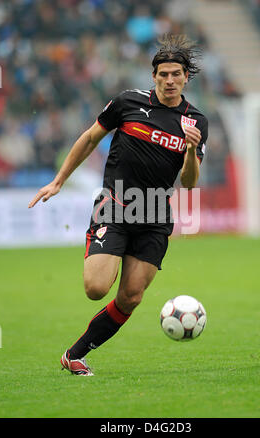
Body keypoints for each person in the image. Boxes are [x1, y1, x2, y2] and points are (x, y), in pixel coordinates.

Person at [28, 34, 208, 376]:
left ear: (187, 77)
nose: (170, 80)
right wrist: (59, 180)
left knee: (131, 297)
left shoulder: (196, 122)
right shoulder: (127, 103)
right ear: (153, 76)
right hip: (116, 205)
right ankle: (104, 243)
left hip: (155, 214)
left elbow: (189, 184)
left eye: (176, 74)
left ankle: (75, 354)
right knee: (96, 289)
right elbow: (90, 137)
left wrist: (189, 150)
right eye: (163, 74)